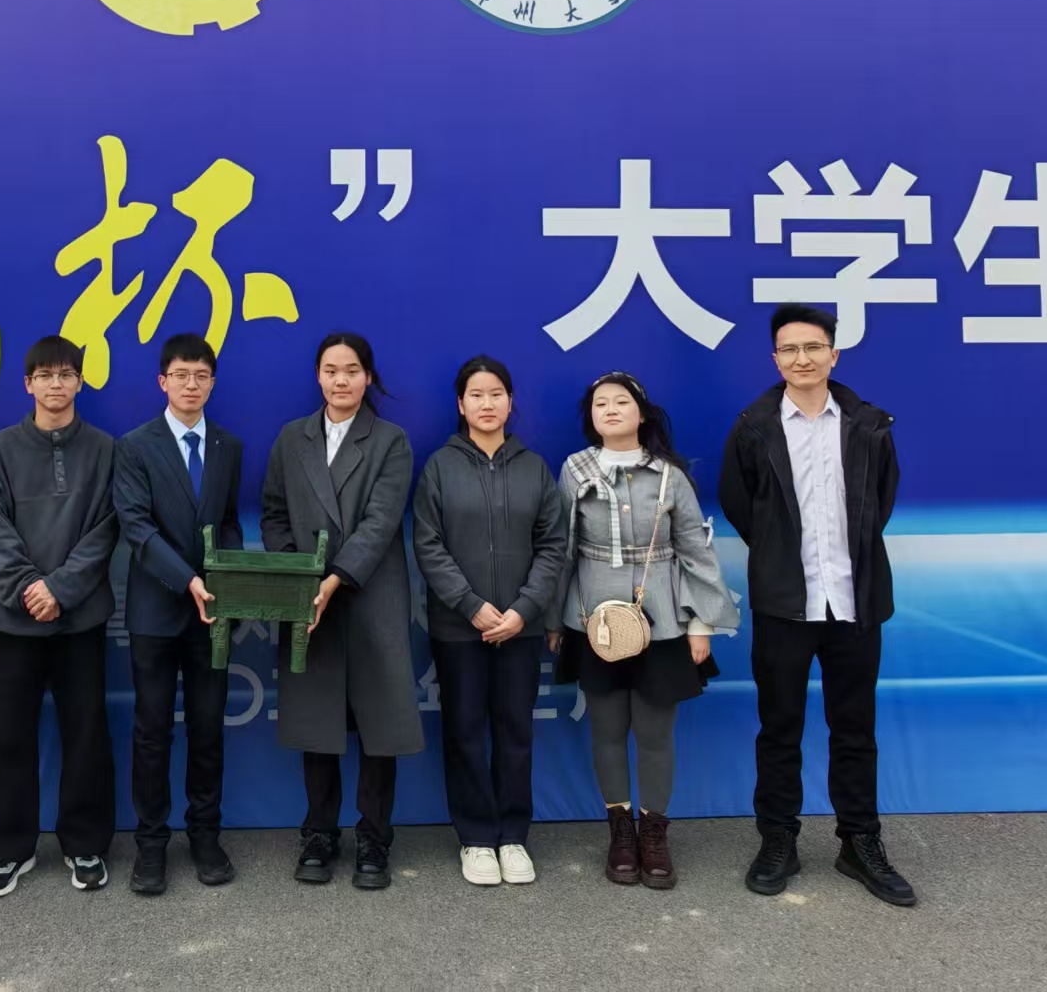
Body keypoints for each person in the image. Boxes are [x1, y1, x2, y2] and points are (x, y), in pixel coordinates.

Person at [719, 304, 913, 907]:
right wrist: (779, 555)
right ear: (774, 359)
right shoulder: (754, 427)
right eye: (788, 349)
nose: (801, 358)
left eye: (812, 347)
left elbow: (881, 500)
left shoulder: (867, 424)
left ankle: (860, 842)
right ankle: (778, 840)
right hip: (785, 603)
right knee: (779, 728)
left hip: (855, 601)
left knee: (855, 729)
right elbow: (739, 502)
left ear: (834, 353)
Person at [546, 372, 739, 891]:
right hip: (594, 622)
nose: (610, 410)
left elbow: (696, 552)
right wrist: (553, 621)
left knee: (654, 734)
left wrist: (700, 625)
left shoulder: (670, 475)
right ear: (591, 417)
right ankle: (620, 833)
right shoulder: (574, 470)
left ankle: (654, 834)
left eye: (621, 402)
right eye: (600, 404)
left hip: (663, 622)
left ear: (642, 413)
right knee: (606, 730)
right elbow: (560, 548)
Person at [261, 332, 423, 890]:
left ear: (368, 377)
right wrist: (297, 577)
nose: (341, 380)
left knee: (380, 723)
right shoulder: (292, 438)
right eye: (331, 370)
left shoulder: (391, 441)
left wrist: (333, 578)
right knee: (317, 720)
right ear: (318, 376)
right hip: (308, 599)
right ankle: (319, 833)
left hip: (370, 592)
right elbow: (274, 512)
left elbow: (381, 522)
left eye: (352, 370)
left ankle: (375, 837)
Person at [413, 356, 565, 888]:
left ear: (510, 401)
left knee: (515, 730)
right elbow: (428, 545)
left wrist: (524, 609)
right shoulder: (439, 466)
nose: (486, 403)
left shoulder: (534, 467)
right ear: (461, 404)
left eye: (496, 393)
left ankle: (513, 835)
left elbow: (552, 544)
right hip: (460, 627)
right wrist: (471, 605)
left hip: (521, 627)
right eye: (476, 395)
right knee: (464, 731)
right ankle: (477, 837)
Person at [0, 336, 117, 898]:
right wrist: (28, 588)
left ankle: (86, 845)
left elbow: (106, 528)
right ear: (27, 384)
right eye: (44, 375)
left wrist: (61, 588)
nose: (55, 385)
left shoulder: (105, 449)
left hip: (80, 619)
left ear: (80, 382)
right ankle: (9, 850)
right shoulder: (0, 450)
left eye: (66, 375)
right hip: (14, 621)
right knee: (9, 738)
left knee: (86, 733)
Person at [112, 333, 244, 896]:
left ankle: (205, 835)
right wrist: (189, 579)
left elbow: (230, 522)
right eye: (181, 375)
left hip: (213, 612)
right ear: (162, 381)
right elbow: (136, 527)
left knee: (209, 726)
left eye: (202, 376)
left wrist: (227, 581)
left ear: (213, 383)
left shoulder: (228, 446)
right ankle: (150, 844)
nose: (192, 385)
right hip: (156, 611)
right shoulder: (134, 446)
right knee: (152, 730)